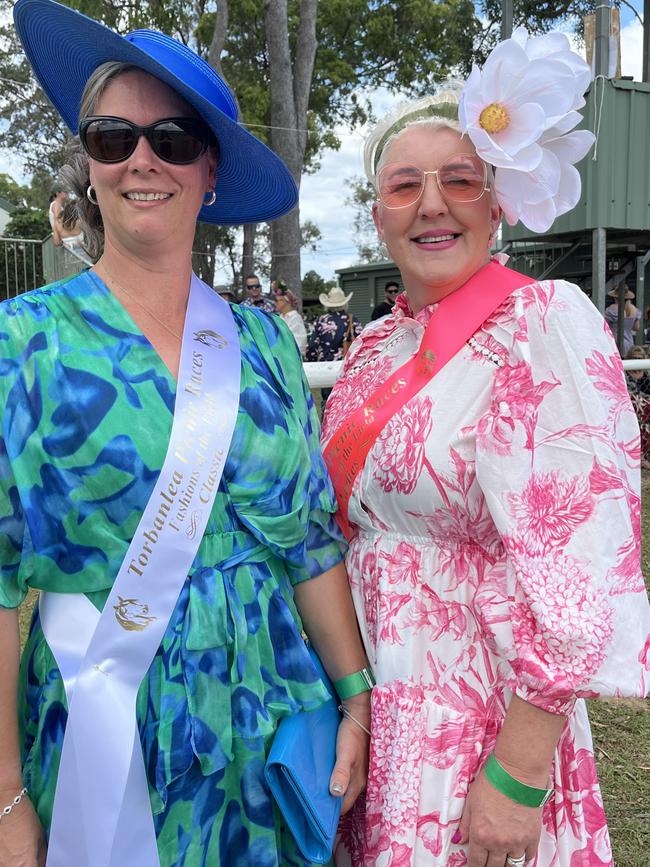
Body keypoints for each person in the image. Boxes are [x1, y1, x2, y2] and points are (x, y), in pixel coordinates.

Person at [1, 2, 372, 866]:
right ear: (87, 167)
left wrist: (354, 694)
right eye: (111, 137)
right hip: (108, 734)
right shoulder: (21, 344)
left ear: (209, 171)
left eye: (171, 139)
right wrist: (7, 799)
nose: (141, 159)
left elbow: (310, 542)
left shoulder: (267, 344)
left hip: (272, 722)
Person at [321, 27, 650, 867]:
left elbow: (582, 561)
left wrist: (521, 766)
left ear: (496, 201)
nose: (432, 204)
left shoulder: (540, 325)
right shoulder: (369, 351)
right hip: (376, 705)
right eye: (405, 186)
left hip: (479, 717)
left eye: (459, 181)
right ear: (377, 214)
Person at [305, 287, 362, 404]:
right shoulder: (352, 320)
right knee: (346, 402)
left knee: (327, 403)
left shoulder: (321, 320)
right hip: (347, 367)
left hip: (325, 367)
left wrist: (312, 362)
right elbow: (362, 343)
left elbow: (312, 346)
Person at [48, 186, 93, 265]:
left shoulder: (57, 222)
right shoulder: (56, 205)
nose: (67, 194)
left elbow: (57, 242)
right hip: (80, 250)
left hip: (67, 251)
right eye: (65, 192)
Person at [625, 345, 650, 470]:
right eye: (634, 358)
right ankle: (640, 456)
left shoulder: (646, 376)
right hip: (631, 407)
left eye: (640, 359)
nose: (637, 361)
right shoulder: (625, 375)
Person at [604, 284, 640, 356]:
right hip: (629, 343)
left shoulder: (611, 309)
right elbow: (636, 328)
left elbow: (604, 326)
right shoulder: (634, 310)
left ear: (615, 297)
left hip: (614, 343)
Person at [273, 281, 308, 355]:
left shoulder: (295, 319)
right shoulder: (280, 318)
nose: (274, 303)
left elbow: (299, 344)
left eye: (277, 300)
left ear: (285, 301)